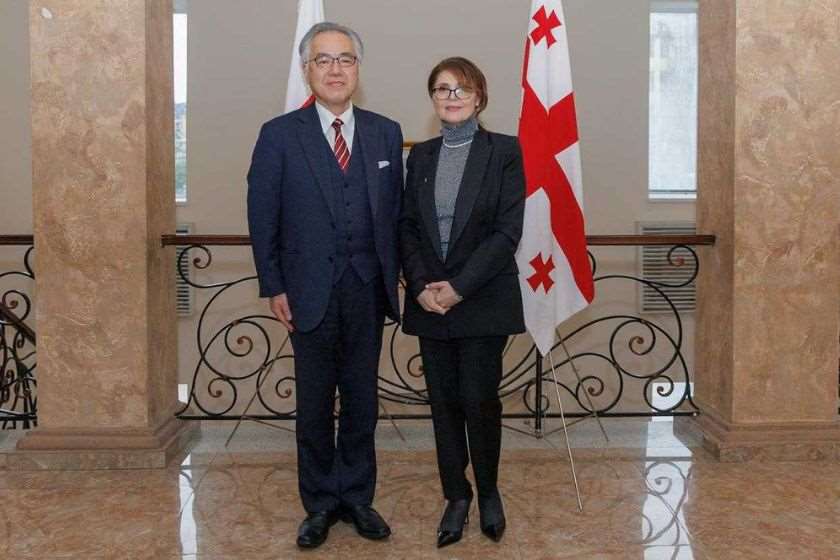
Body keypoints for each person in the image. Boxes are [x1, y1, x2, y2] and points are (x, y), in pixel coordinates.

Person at [247, 22, 404, 549]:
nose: (336, 69)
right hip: (307, 291)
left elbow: (396, 214)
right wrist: (274, 285)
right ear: (306, 70)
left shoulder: (385, 132)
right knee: (314, 405)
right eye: (324, 60)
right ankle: (318, 504)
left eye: (345, 59)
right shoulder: (279, 134)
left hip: (368, 288)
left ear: (358, 69)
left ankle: (356, 496)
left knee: (362, 401)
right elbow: (262, 215)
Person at [398, 57, 526, 548]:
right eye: (442, 89)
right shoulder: (422, 155)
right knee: (443, 406)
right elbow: (408, 227)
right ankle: (456, 495)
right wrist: (422, 285)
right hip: (430, 302)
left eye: (462, 88)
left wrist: (459, 287)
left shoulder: (504, 151)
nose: (452, 97)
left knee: (480, 402)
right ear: (432, 98)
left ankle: (489, 492)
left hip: (481, 299)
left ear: (480, 96)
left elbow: (506, 232)